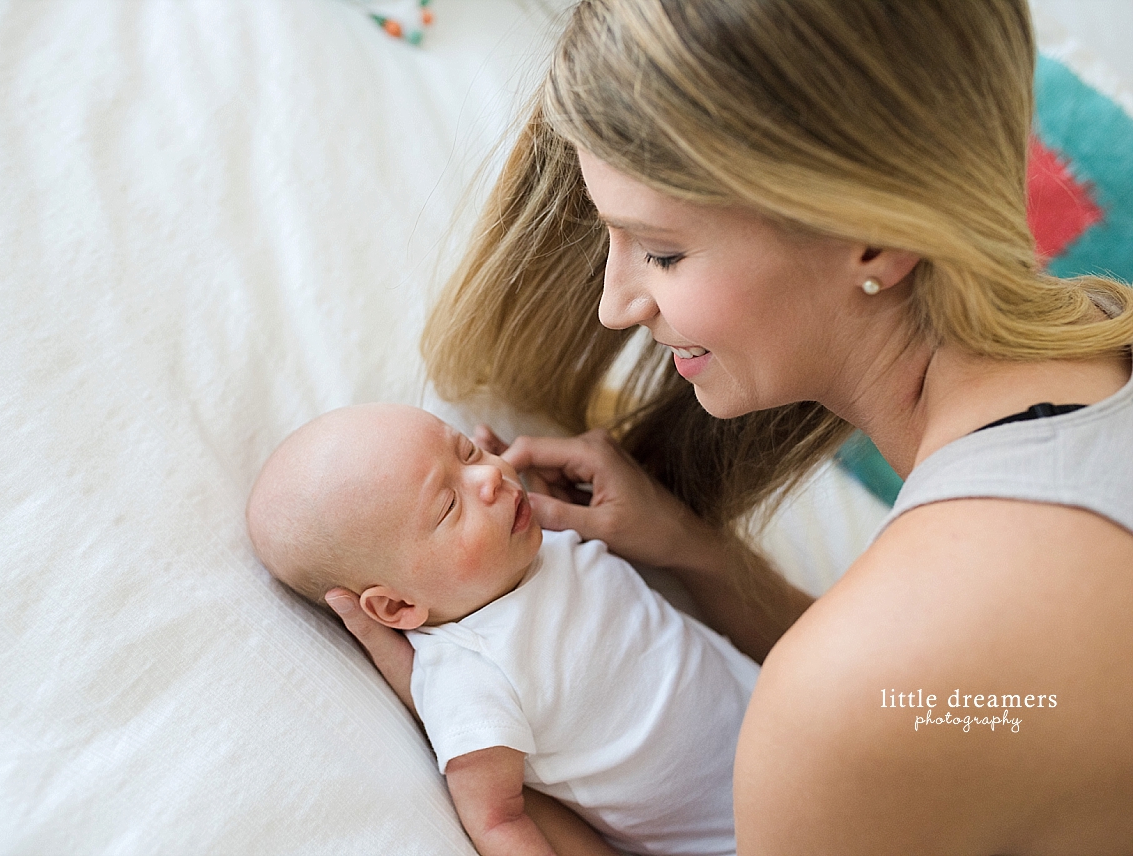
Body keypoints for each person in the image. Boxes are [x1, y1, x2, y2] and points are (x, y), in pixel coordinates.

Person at [326, 0, 1133, 852]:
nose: (613, 305)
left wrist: (479, 748)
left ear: (874, 237)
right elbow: (971, 724)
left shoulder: (848, 701)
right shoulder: (1096, 360)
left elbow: (900, 712)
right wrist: (695, 552)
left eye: (663, 252)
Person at [247, 403, 759, 856]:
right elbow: (497, 818)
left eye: (467, 453)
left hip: (779, 711)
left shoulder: (537, 540)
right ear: (398, 604)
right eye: (448, 506)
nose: (489, 477)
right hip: (741, 833)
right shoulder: (466, 674)